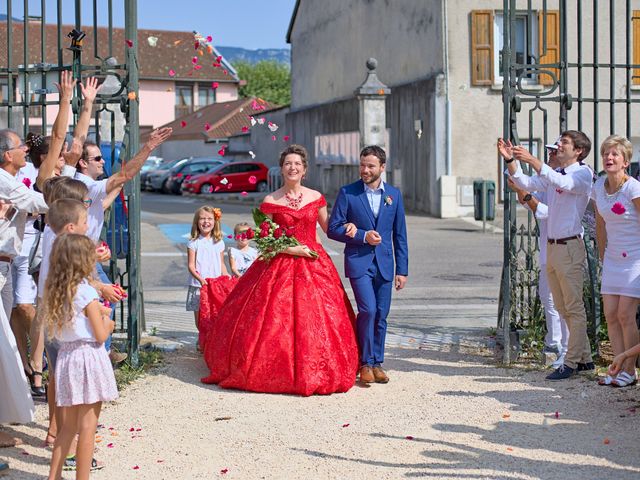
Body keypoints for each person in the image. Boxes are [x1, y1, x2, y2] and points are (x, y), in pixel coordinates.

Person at [201, 144, 359, 396]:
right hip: (280, 261)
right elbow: (265, 239)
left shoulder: (316, 197)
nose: (292, 167)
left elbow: (329, 228)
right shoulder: (270, 200)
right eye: (288, 164)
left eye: (297, 164)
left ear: (304, 170)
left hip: (314, 261)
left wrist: (350, 228)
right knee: (272, 319)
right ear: (282, 169)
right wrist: (291, 250)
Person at [10, 75, 98, 398]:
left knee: (51, 321)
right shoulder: (46, 182)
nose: (66, 155)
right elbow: (61, 136)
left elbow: (77, 138)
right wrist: (65, 101)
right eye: (58, 155)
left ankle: (39, 372)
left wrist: (87, 104)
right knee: (41, 315)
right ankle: (35, 369)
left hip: (58, 255)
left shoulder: (70, 179)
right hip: (42, 252)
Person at [500, 130, 595, 381]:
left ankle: (571, 360)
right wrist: (511, 161)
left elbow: (564, 184)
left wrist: (533, 160)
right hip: (553, 246)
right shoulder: (556, 174)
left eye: (564, 143)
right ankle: (584, 358)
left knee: (572, 306)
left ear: (578, 151)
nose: (558, 146)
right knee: (562, 306)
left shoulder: (582, 173)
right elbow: (525, 182)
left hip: (569, 246)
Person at [327, 145, 409, 384]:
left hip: (385, 264)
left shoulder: (394, 195)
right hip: (359, 263)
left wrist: (402, 270)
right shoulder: (348, 193)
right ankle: (364, 362)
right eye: (362, 165)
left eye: (370, 166)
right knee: (368, 310)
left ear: (382, 167)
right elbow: (333, 228)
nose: (365, 170)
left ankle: (377, 363)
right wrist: (361, 235)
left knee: (381, 315)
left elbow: (400, 235)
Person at [44, 234, 117, 480]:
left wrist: (98, 311)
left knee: (68, 427)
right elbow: (99, 334)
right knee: (88, 427)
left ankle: (53, 476)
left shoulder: (58, 289)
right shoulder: (86, 292)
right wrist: (109, 323)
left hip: (67, 358)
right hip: (88, 359)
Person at [507, 139, 569, 368]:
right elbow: (524, 187)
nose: (551, 154)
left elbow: (544, 212)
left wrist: (524, 193)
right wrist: (510, 160)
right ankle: (554, 342)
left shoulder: (570, 179)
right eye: (550, 151)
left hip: (566, 246)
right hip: (548, 248)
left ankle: (566, 348)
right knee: (549, 298)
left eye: (554, 151)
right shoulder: (546, 181)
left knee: (565, 302)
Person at [592, 135, 640, 387]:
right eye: (606, 154)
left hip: (635, 259)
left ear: (626, 161)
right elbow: (600, 222)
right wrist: (602, 255)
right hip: (612, 259)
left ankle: (630, 372)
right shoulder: (599, 186)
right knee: (610, 314)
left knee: (625, 315)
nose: (609, 158)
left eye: (614, 154)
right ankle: (617, 368)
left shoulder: (634, 188)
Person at [186, 206, 228, 328]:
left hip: (215, 285)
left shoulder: (219, 242)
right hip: (198, 285)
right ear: (196, 222)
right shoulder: (193, 242)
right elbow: (191, 265)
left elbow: (221, 263)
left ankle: (210, 339)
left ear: (215, 222)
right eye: (202, 219)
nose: (206, 222)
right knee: (200, 316)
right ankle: (201, 337)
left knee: (214, 314)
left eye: (209, 218)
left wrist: (226, 276)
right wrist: (201, 280)